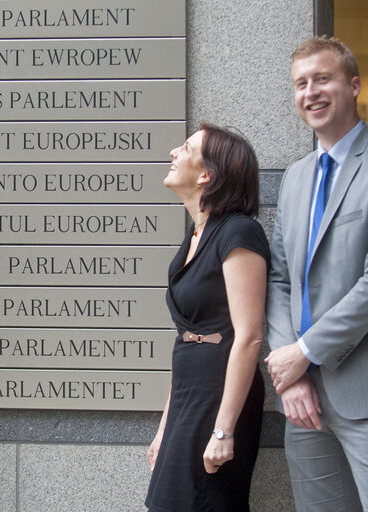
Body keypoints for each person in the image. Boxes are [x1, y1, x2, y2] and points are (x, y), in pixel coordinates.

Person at [265, 36, 368, 511]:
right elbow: (279, 279)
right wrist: (289, 369)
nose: (310, 92)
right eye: (300, 83)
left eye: (322, 78)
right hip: (303, 399)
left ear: (353, 85)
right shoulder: (296, 177)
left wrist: (306, 350)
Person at [145, 123, 268, 511]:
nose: (173, 153)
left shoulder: (239, 233)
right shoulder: (197, 234)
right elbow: (188, 339)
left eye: (185, 148)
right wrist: (165, 427)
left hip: (220, 395)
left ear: (206, 175)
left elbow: (248, 336)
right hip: (190, 391)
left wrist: (224, 429)